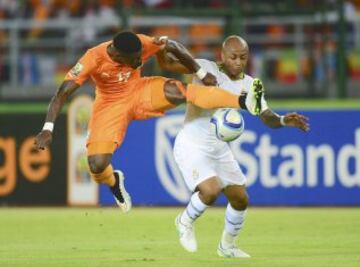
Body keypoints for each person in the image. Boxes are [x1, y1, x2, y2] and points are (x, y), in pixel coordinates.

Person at [33, 31, 264, 213]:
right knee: (96, 164)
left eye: (140, 57)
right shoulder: (92, 58)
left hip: (139, 91)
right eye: (134, 60)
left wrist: (201, 73)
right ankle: (115, 182)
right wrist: (47, 127)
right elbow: (62, 93)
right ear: (117, 55)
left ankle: (242, 101)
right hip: (110, 105)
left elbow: (171, 45)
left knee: (178, 91)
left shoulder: (141, 44)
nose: (139, 61)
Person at [169, 36, 310, 258]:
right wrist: (164, 48)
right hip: (191, 144)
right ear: (222, 56)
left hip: (219, 148)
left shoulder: (250, 85)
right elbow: (170, 63)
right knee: (210, 190)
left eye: (243, 57)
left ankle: (227, 246)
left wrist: (283, 120)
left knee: (240, 198)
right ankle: (184, 221)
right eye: (233, 57)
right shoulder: (205, 69)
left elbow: (266, 116)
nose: (238, 61)